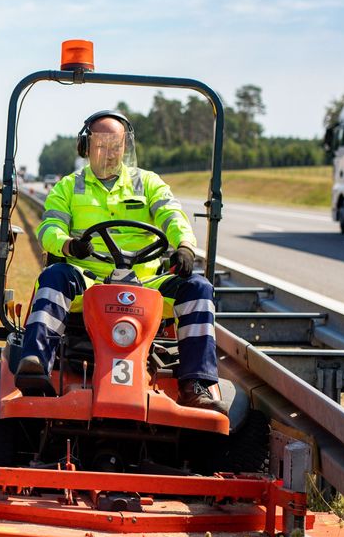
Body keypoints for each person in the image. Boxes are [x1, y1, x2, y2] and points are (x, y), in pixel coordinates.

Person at [15, 109, 222, 412]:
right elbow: (49, 229)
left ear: (126, 147)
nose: (109, 154)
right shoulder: (68, 187)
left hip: (146, 285)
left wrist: (185, 246)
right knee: (54, 276)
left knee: (198, 287)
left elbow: (172, 215)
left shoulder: (149, 183)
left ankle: (195, 384)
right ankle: (35, 364)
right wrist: (70, 245)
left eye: (116, 146)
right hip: (88, 282)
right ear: (86, 148)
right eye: (101, 145)